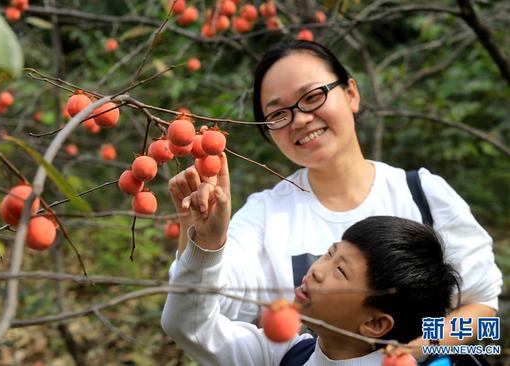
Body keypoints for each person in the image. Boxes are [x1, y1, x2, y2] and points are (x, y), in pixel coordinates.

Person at [166, 40, 502, 356]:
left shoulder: (423, 194)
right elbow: (207, 309)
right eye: (278, 114)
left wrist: (410, 353)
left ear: (351, 93)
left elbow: (484, 309)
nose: (299, 119)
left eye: (312, 97)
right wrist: (202, 238)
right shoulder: (264, 214)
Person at [162, 216, 460, 365]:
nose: (317, 269)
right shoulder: (284, 353)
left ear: (375, 323)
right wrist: (206, 243)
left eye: (340, 271)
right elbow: (189, 325)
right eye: (330, 253)